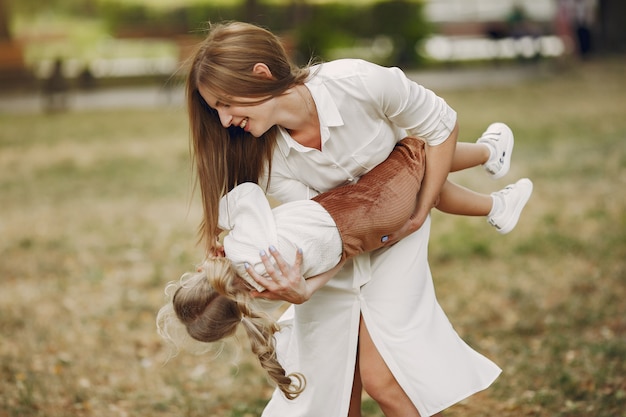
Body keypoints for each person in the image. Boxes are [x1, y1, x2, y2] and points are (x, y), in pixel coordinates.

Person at [170, 21, 531, 416]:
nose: (223, 121)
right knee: (333, 391)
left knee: (383, 379)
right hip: (345, 251)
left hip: (400, 233)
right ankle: (489, 167)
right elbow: (335, 232)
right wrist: (305, 287)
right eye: (215, 110)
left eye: (225, 103)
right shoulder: (268, 160)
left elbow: (440, 127)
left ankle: (488, 158)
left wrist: (421, 210)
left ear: (261, 74)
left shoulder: (357, 83)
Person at [158, 134, 532, 399]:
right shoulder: (243, 246)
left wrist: (318, 280)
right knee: (417, 150)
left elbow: (334, 261)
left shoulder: (265, 289)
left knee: (418, 186)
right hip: (356, 205)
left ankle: (495, 207)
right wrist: (222, 230)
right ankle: (488, 153)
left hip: (364, 237)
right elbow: (247, 195)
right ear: (203, 273)